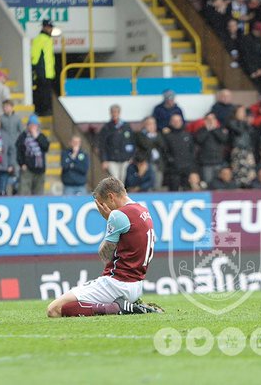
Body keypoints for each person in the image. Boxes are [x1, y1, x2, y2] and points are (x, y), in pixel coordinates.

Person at [46, 177, 162, 317]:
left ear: (111, 197)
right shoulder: (143, 210)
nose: (102, 209)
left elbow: (105, 256)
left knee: (54, 309)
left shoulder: (118, 216)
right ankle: (126, 305)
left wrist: (109, 221)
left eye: (102, 204)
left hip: (117, 284)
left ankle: (116, 308)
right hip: (136, 285)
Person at [98, 104, 135, 182]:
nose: (114, 114)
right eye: (112, 112)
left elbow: (132, 142)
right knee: (115, 180)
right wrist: (104, 160)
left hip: (125, 158)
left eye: (116, 112)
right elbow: (102, 145)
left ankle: (121, 194)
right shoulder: (107, 127)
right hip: (112, 159)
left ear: (119, 113)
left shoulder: (126, 126)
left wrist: (132, 156)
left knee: (123, 179)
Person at [16, 114, 50, 195]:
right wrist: (22, 164)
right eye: (32, 125)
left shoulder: (41, 136)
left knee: (38, 193)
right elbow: (19, 151)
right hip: (27, 169)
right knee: (24, 192)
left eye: (35, 125)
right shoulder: (23, 137)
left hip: (40, 169)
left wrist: (36, 137)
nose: (33, 127)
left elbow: (46, 147)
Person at [31, 19, 56, 116]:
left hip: (48, 72)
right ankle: (42, 110)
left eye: (51, 27)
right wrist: (35, 69)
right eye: (49, 27)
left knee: (46, 92)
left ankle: (45, 110)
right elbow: (35, 55)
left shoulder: (48, 39)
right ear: (44, 27)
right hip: (42, 72)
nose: (50, 29)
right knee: (42, 92)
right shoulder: (40, 39)